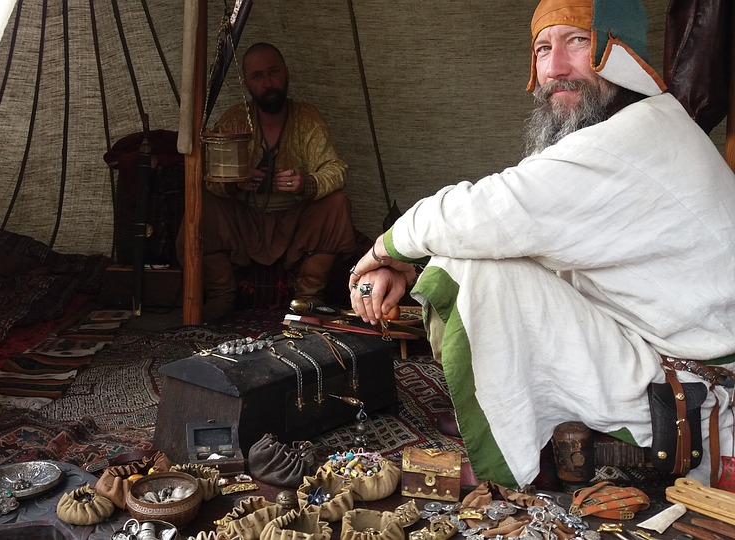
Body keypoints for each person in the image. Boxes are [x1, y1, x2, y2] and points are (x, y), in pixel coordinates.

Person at [349, 0, 735, 489]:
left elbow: (489, 209)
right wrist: (403, 259)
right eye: (542, 48)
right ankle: (505, 413)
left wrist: (384, 251)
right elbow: (515, 226)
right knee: (478, 249)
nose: (554, 69)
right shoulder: (642, 123)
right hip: (665, 359)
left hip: (695, 400)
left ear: (620, 51)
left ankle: (514, 456)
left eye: (578, 42)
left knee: (469, 268)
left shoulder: (631, 137)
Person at [179, 42, 356, 321]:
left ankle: (308, 298)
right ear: (247, 83)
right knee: (202, 203)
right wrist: (234, 181)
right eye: (257, 76)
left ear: (286, 73)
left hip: (292, 220)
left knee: (337, 204)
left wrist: (307, 182)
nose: (268, 82)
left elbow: (336, 169)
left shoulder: (307, 118)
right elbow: (208, 174)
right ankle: (221, 295)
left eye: (273, 72)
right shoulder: (236, 118)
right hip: (243, 220)